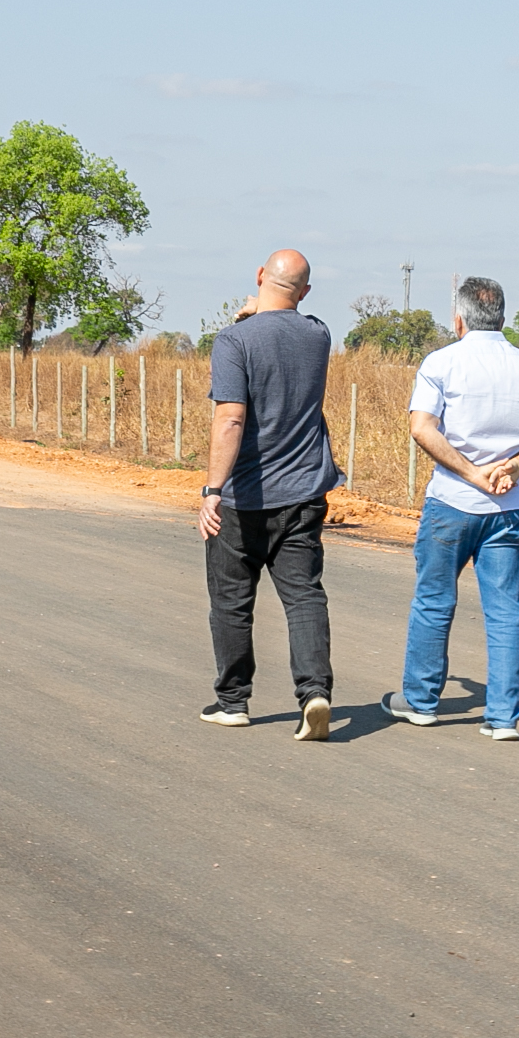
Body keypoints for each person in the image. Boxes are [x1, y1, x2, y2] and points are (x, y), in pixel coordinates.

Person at [382, 276, 519, 740]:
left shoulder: (442, 363)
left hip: (453, 501)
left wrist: (471, 473)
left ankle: (421, 702)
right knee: (506, 612)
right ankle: (504, 717)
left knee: (434, 600)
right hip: (509, 506)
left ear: (459, 319)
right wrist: (516, 466)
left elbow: (422, 428)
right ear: (502, 317)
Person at [197, 248, 341, 741]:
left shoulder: (234, 341)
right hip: (303, 491)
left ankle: (233, 701)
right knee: (303, 595)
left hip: (244, 496)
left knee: (232, 600)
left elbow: (230, 418)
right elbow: (288, 325)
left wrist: (213, 490)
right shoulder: (319, 335)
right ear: (305, 291)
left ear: (260, 275)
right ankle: (314, 691)